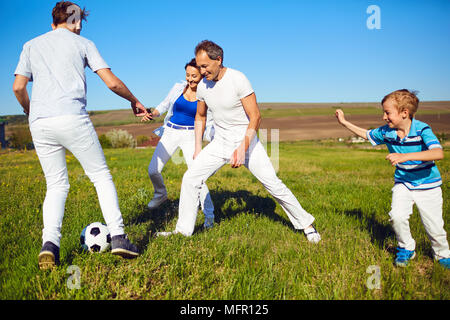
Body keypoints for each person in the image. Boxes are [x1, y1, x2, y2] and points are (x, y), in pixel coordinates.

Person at [12, 1, 149, 269]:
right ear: (77, 22)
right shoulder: (84, 43)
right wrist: (134, 100)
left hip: (40, 123)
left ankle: (50, 244)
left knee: (56, 184)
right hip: (72, 117)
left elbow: (18, 87)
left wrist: (32, 112)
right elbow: (111, 82)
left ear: (53, 23)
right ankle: (119, 237)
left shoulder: (31, 45)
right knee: (100, 176)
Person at [158, 40, 321, 243]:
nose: (201, 71)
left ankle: (306, 224)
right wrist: (198, 148)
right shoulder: (203, 86)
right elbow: (200, 116)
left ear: (219, 60)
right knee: (190, 178)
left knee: (272, 184)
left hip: (246, 141)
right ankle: (183, 231)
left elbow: (255, 117)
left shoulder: (238, 79)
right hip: (220, 142)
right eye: (199, 66)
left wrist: (242, 148)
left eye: (205, 66)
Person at [335, 89, 449, 269]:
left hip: (428, 185)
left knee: (434, 225)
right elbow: (367, 134)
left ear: (404, 113)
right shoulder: (387, 132)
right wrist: (344, 123)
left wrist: (405, 157)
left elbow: (438, 152)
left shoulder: (422, 129)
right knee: (396, 216)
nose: (383, 117)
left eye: (387, 112)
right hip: (403, 183)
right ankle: (406, 248)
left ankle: (442, 254)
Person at [143, 59, 215, 229]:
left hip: (192, 135)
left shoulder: (208, 94)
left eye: (194, 76)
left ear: (202, 75)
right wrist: (153, 113)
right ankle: (160, 194)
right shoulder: (178, 87)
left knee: (197, 177)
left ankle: (209, 215)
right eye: (188, 75)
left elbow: (210, 121)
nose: (190, 79)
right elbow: (164, 104)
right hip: (171, 132)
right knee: (153, 170)